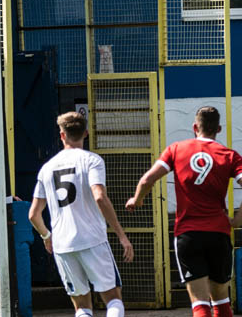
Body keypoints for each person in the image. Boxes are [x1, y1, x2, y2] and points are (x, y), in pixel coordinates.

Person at [126, 106, 242, 317]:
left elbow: (147, 179)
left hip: (188, 234)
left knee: (199, 303)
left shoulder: (176, 149)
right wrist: (238, 217)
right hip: (219, 232)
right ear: (219, 129)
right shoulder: (230, 155)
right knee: (222, 300)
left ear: (194, 127)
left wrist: (137, 199)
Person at [29, 112, 133, 317]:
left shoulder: (47, 168)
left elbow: (33, 214)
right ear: (86, 133)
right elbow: (100, 197)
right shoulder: (92, 160)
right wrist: (121, 235)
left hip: (63, 244)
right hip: (92, 239)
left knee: (82, 307)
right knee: (113, 299)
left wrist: (46, 237)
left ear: (62, 135)